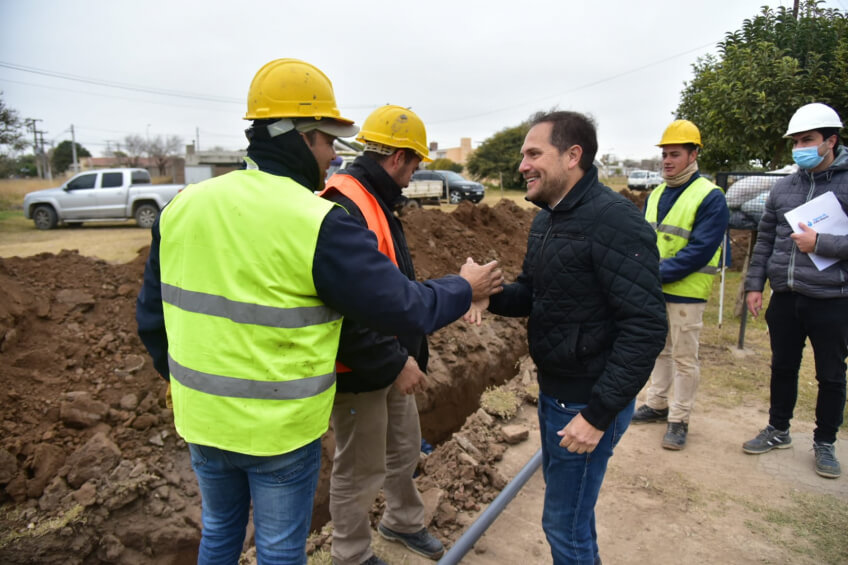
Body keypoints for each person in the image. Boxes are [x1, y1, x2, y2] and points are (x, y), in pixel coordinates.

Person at [135, 58, 503, 565]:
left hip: (202, 420)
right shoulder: (315, 220)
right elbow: (404, 307)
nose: (333, 156)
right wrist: (464, 286)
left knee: (219, 534)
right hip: (279, 430)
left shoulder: (184, 205)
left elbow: (152, 322)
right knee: (281, 549)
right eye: (329, 140)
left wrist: (193, 388)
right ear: (302, 136)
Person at [470, 110, 668, 564]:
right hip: (557, 395)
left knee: (564, 524)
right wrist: (484, 294)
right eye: (523, 155)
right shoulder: (547, 220)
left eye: (534, 153)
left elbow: (646, 325)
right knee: (571, 515)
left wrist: (597, 415)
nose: (522, 165)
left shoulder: (613, 220)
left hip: (586, 402)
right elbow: (534, 294)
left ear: (573, 155)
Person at [318, 105, 444, 565]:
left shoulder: (376, 200)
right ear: (397, 157)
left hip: (389, 357)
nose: (414, 174)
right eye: (415, 164)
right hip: (361, 366)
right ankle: (349, 553)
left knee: (405, 447)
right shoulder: (345, 203)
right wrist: (395, 361)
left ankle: (403, 521)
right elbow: (345, 307)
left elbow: (389, 290)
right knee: (360, 466)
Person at [742, 102, 848, 479]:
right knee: (783, 367)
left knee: (831, 375)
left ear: (830, 141)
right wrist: (755, 286)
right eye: (795, 141)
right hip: (786, 297)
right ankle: (778, 429)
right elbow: (765, 242)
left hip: (832, 300)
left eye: (808, 140)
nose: (800, 147)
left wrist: (821, 241)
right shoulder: (784, 189)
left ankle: (825, 442)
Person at [630, 120, 729, 450]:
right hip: (655, 288)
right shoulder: (657, 193)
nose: (667, 161)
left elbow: (700, 250)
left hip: (687, 291)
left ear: (693, 154)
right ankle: (657, 404)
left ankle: (679, 418)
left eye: (675, 154)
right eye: (665, 155)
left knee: (685, 357)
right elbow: (644, 239)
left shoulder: (710, 197)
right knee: (660, 350)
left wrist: (653, 274)